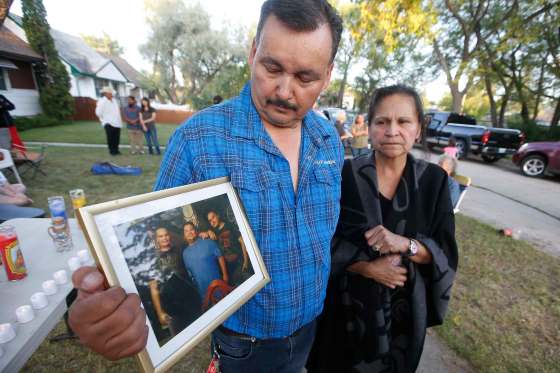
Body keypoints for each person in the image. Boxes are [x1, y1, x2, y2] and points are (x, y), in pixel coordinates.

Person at [68, 1, 344, 371]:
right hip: (242, 346)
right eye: (271, 67)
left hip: (312, 328)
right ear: (253, 52)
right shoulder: (197, 140)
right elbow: (145, 248)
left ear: (327, 76)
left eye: (305, 77)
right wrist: (102, 303)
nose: (283, 90)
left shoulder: (328, 139)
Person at [307, 85, 458, 373]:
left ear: (418, 129)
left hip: (402, 319)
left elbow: (444, 254)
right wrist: (366, 268)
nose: (392, 131)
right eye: (382, 121)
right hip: (344, 312)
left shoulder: (434, 182)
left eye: (403, 122)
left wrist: (406, 244)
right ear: (370, 126)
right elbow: (318, 239)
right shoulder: (344, 175)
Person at [148, 226, 202, 338]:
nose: (164, 238)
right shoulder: (153, 260)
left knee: (201, 333)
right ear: (156, 239)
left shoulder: (180, 249)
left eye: (166, 235)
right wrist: (160, 313)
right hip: (171, 308)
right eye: (161, 236)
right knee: (182, 340)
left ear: (170, 236)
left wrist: (204, 233)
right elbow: (154, 288)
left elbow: (192, 239)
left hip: (191, 300)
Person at [199, 209, 250, 286]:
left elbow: (243, 242)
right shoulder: (212, 232)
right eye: (210, 220)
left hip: (240, 263)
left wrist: (246, 262)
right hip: (229, 269)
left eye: (213, 217)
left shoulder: (230, 226)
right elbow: (199, 235)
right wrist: (208, 232)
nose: (212, 221)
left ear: (218, 216)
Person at [182, 222, 228, 300]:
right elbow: (191, 274)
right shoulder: (185, 254)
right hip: (203, 295)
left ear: (195, 231)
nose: (189, 232)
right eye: (186, 231)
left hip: (218, 287)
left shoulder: (208, 242)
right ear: (184, 235)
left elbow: (220, 257)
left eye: (191, 229)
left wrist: (225, 275)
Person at [95, 87, 122, 156]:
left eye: (111, 93)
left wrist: (119, 120)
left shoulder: (114, 101)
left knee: (116, 137)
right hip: (108, 122)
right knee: (110, 138)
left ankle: (116, 150)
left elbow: (117, 111)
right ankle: (112, 151)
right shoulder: (102, 101)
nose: (111, 94)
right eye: (109, 93)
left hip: (117, 122)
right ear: (105, 94)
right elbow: (98, 112)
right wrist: (104, 119)